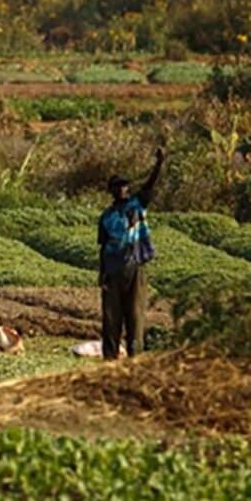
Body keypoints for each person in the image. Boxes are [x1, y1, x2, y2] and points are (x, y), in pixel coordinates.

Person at [98, 147, 165, 360]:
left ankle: (135, 358)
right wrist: (102, 275)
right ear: (111, 191)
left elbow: (149, 185)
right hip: (113, 271)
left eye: (125, 186)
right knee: (111, 319)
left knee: (135, 317)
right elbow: (103, 246)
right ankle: (110, 358)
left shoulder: (136, 206)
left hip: (134, 268)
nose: (122, 190)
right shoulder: (106, 217)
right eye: (117, 187)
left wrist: (159, 164)